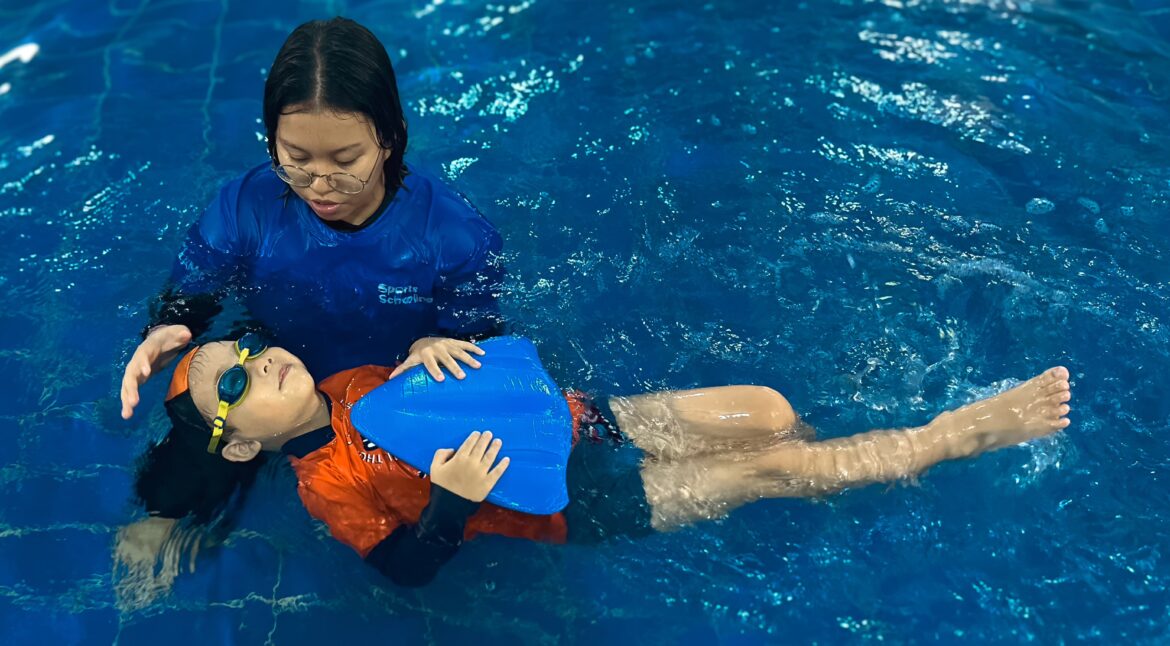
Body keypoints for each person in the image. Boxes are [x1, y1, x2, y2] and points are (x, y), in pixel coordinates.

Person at [123, 334, 1072, 588]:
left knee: (771, 414)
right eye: (233, 386)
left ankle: (849, 458)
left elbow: (477, 377)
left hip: (589, 424)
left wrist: (435, 345)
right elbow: (405, 571)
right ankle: (955, 435)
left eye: (243, 349)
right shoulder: (324, 486)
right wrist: (450, 505)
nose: (257, 363)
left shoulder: (347, 380)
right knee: (768, 471)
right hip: (566, 506)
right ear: (240, 442)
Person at [119, 17, 500, 422]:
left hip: (395, 400)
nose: (319, 184)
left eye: (345, 160)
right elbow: (192, 296)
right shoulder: (243, 210)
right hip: (269, 397)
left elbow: (479, 346)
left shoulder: (454, 237)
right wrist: (166, 329)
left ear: (391, 139)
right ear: (272, 140)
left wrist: (438, 345)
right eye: (297, 159)